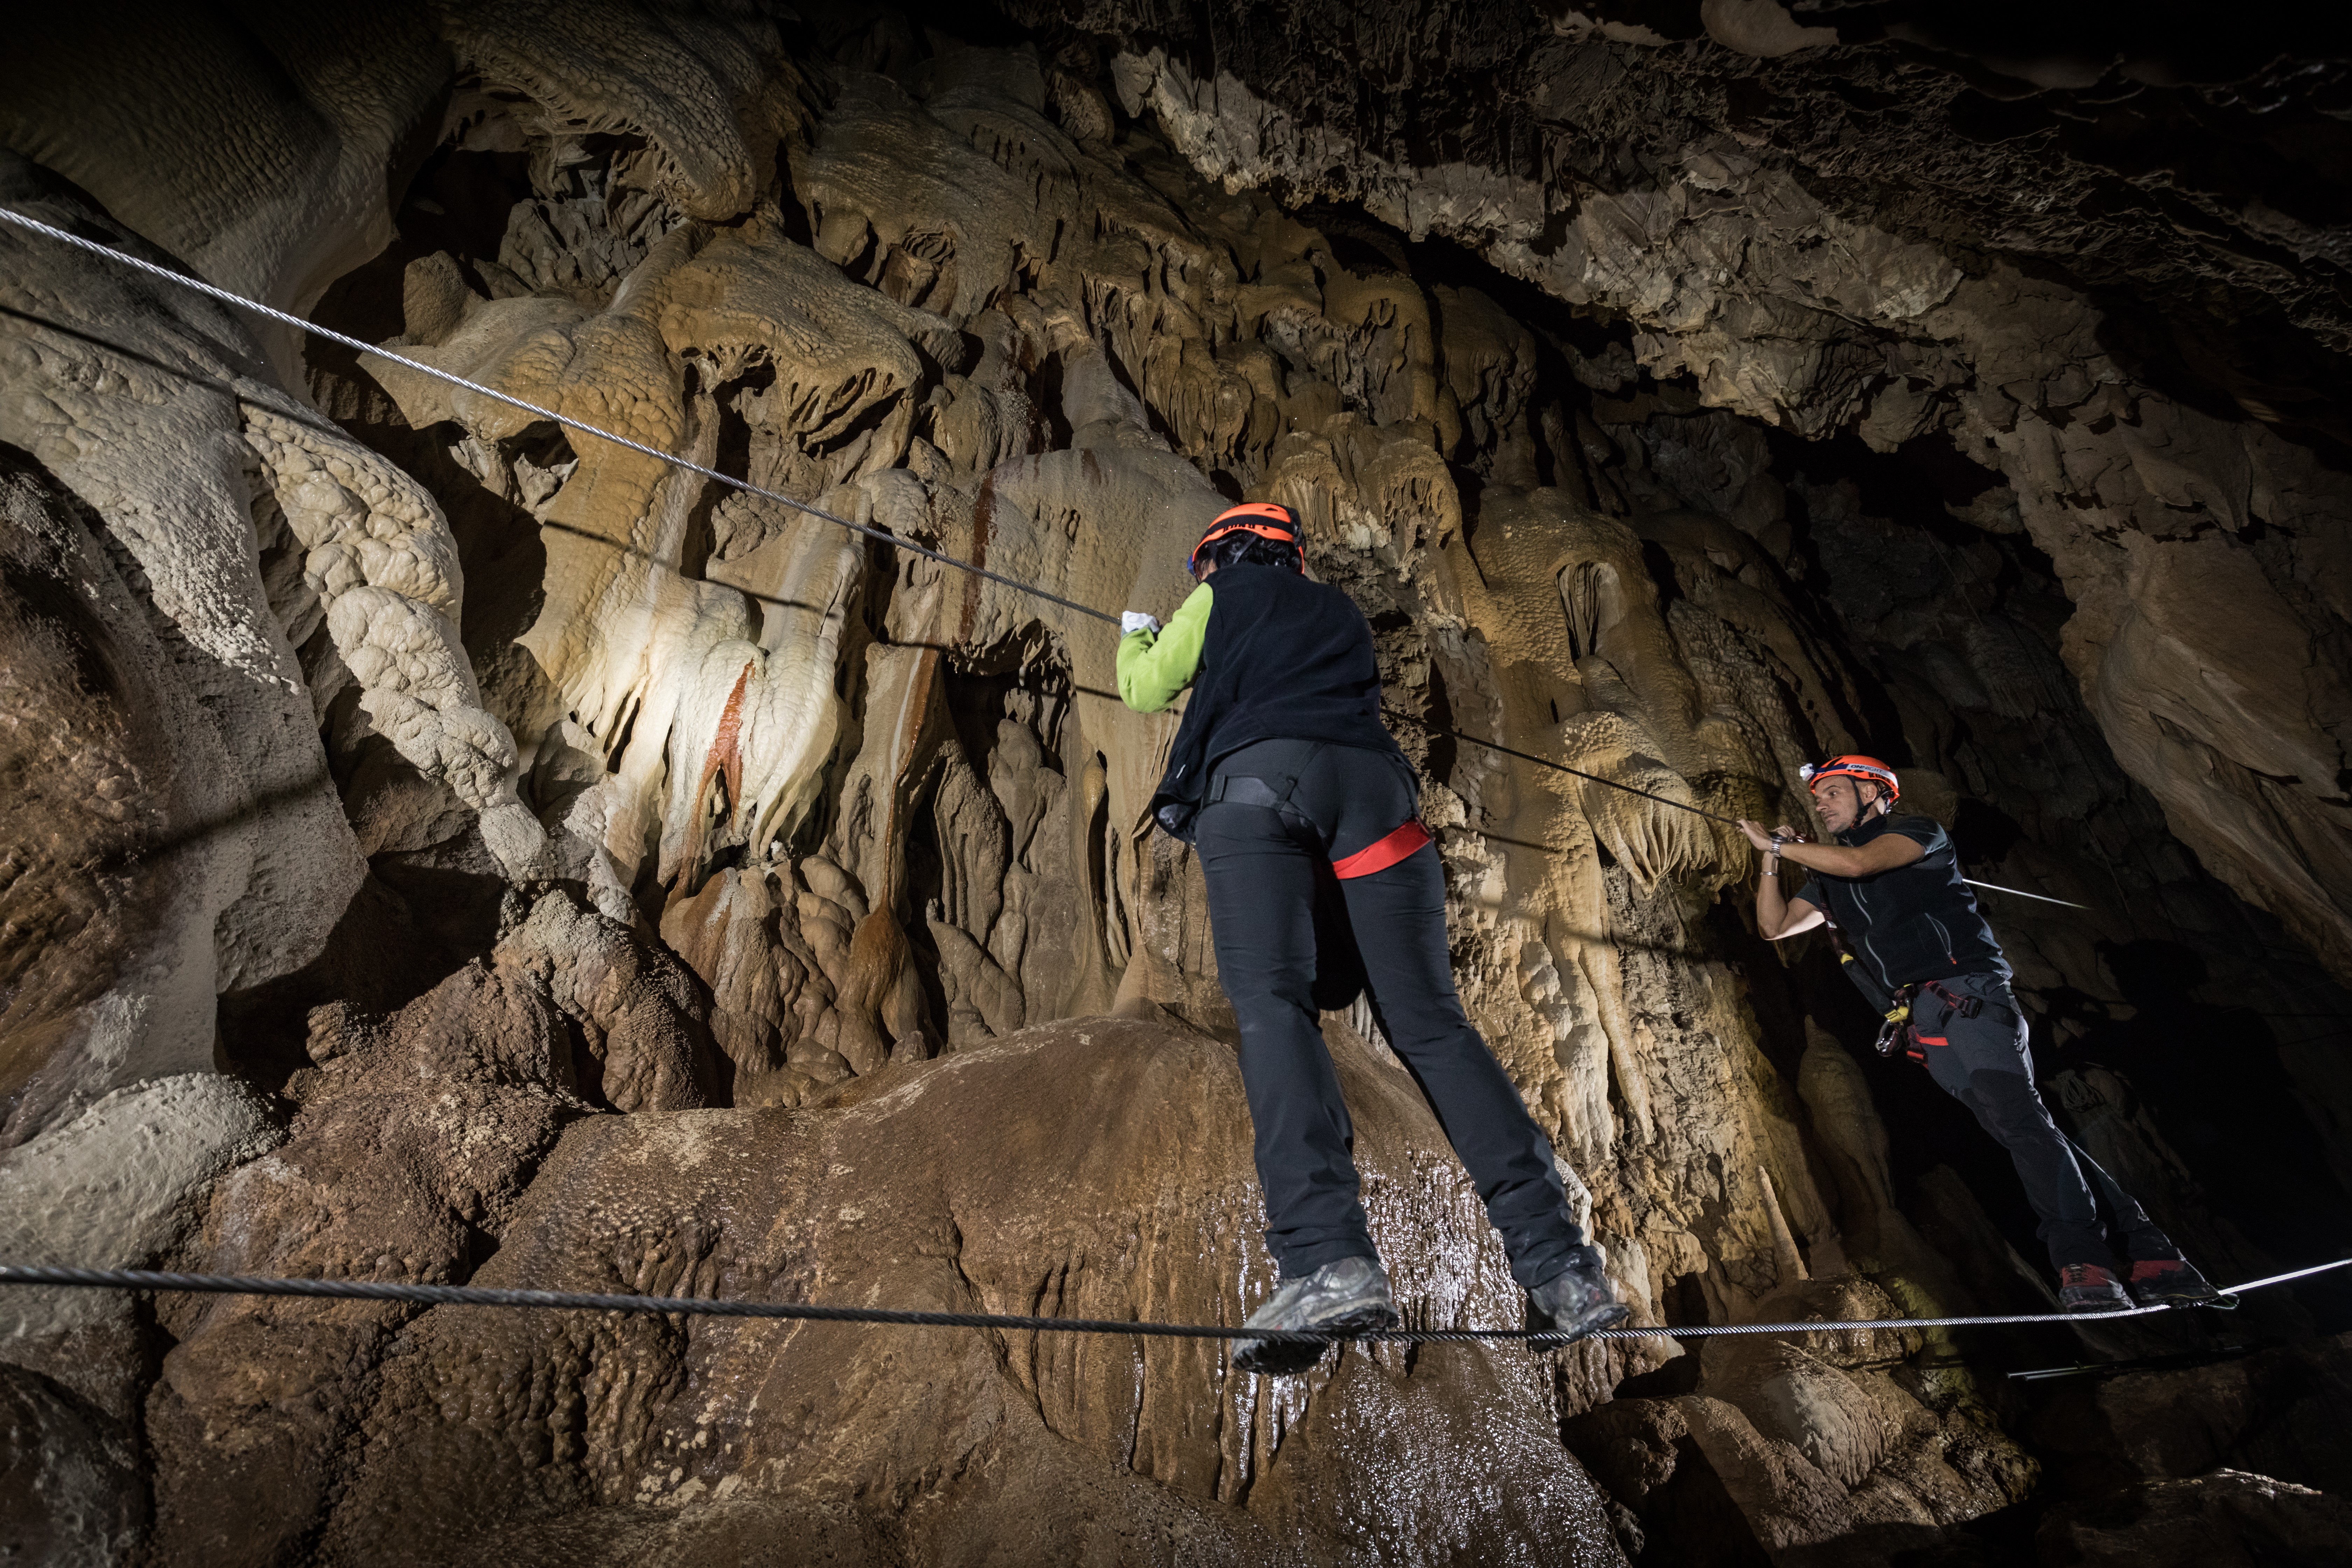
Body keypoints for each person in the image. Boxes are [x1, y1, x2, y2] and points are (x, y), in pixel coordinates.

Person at [1117, 501, 1629, 1374]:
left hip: (1260, 785)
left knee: (1275, 1009)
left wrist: (1138, 634)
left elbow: (1146, 688)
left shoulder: (1222, 594)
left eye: (1207, 566)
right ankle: (1563, 1266)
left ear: (1224, 557)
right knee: (1432, 1025)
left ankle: (1326, 1258)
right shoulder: (1339, 611)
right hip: (1377, 800)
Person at [1737, 756, 2223, 1313]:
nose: (1821, 804)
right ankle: (2154, 1257)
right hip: (1926, 1021)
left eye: (1833, 792)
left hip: (1969, 997)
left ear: (1873, 793)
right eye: (1818, 798)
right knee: (2025, 1133)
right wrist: (1772, 864)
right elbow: (1773, 927)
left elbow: (1863, 864)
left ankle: (2083, 1262)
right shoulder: (1828, 875)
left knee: (2022, 1125)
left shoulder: (1914, 833)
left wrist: (1780, 848)